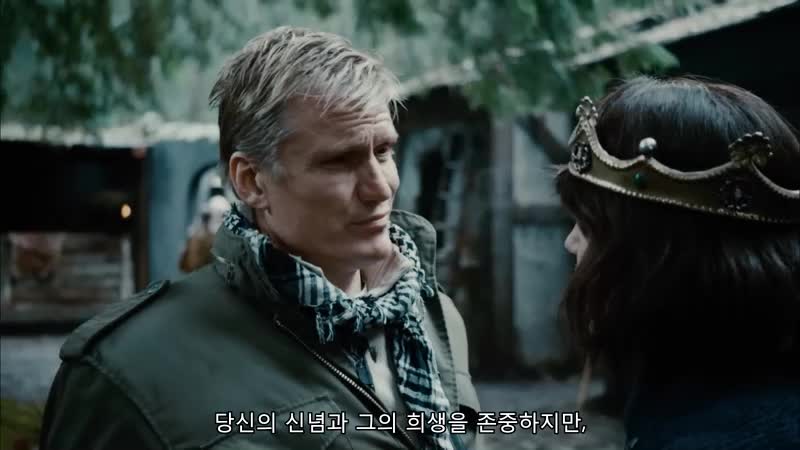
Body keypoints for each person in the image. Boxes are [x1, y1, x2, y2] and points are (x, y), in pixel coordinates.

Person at [40, 27, 480, 450]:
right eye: (339, 162)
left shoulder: (431, 315)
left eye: (383, 151)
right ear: (252, 181)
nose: (380, 187)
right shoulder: (127, 371)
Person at [557, 76, 800, 450]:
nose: (570, 241)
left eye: (588, 225)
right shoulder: (689, 390)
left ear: (655, 254)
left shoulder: (726, 436)